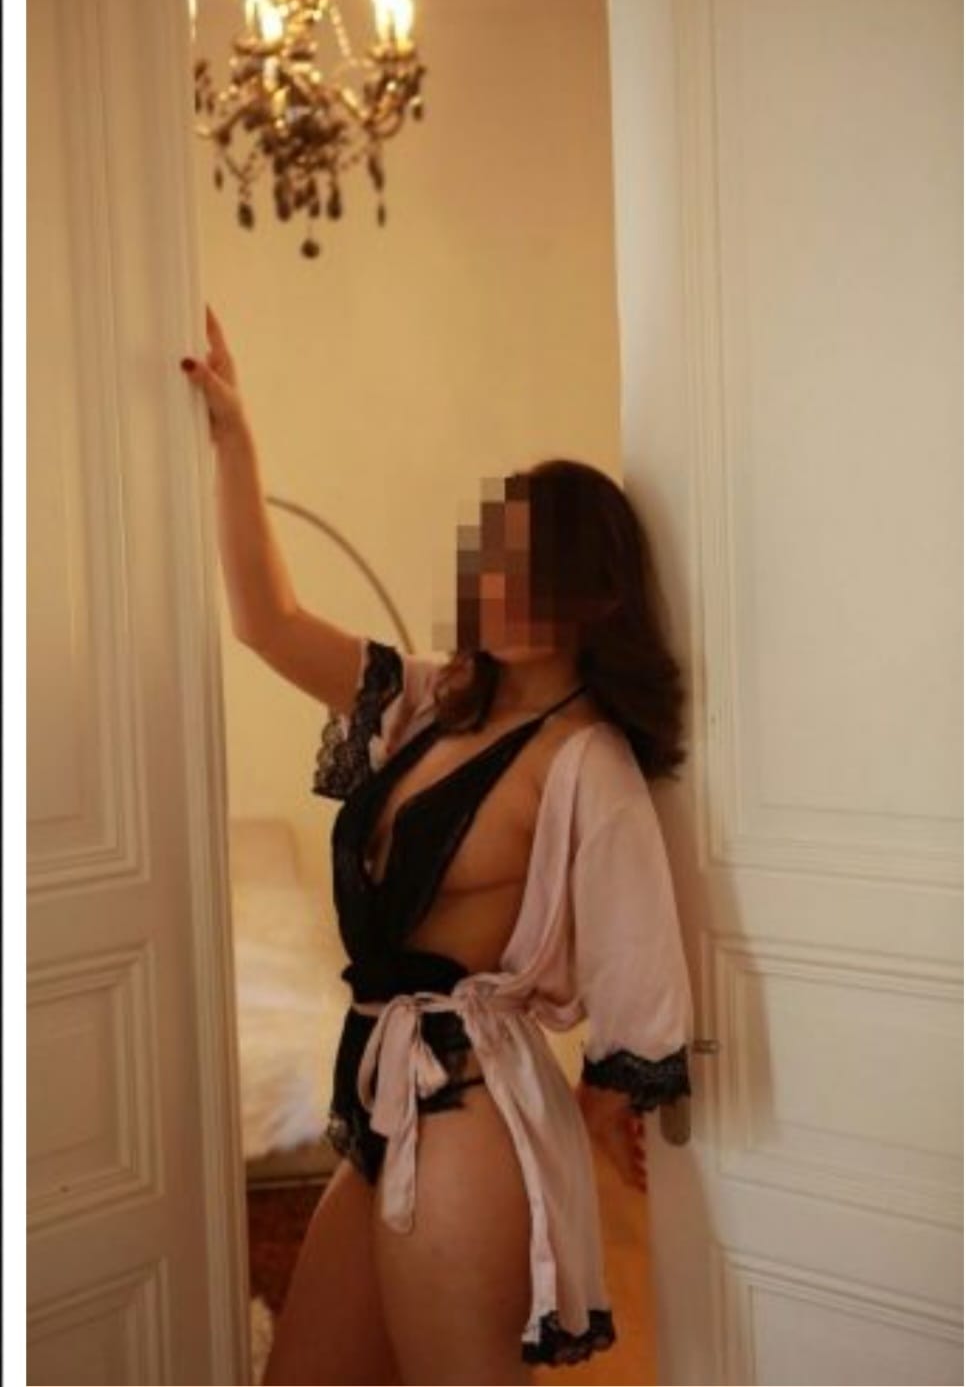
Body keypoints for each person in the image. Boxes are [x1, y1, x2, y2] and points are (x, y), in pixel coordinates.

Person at [180, 306, 694, 1386]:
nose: (499, 588)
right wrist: (234, 435)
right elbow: (268, 621)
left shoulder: (586, 761)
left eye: (534, 569)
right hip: (382, 1096)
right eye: (493, 560)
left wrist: (605, 1113)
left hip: (466, 1117)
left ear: (595, 596)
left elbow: (639, 962)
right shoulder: (429, 700)